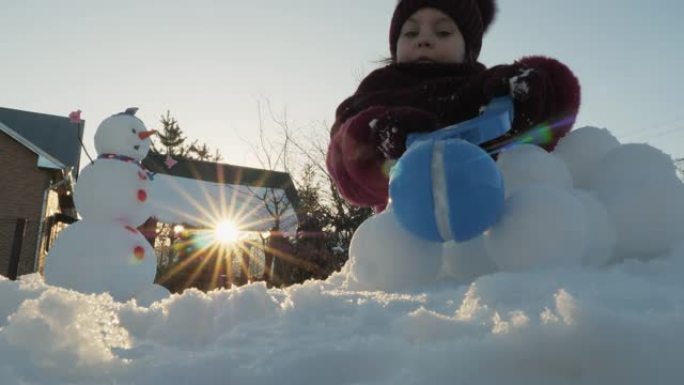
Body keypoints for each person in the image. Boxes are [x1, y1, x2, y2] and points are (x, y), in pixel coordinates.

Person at [326, 0, 581, 212]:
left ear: (468, 49)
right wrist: (378, 136)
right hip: (407, 235)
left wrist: (535, 93)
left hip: (496, 225)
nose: (424, 40)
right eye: (411, 33)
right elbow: (344, 160)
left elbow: (556, 116)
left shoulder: (484, 87)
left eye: (443, 32)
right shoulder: (377, 90)